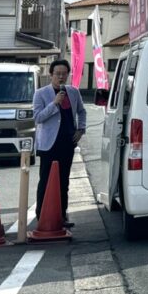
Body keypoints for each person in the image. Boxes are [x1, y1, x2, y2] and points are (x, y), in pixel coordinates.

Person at [32, 59, 86, 227]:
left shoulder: (74, 92)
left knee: (64, 181)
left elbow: (82, 111)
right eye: (57, 74)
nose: (61, 77)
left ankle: (61, 216)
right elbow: (38, 117)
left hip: (67, 142)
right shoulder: (41, 93)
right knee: (46, 180)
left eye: (64, 74)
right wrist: (55, 103)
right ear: (51, 75)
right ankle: (42, 215)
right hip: (49, 144)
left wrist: (81, 129)